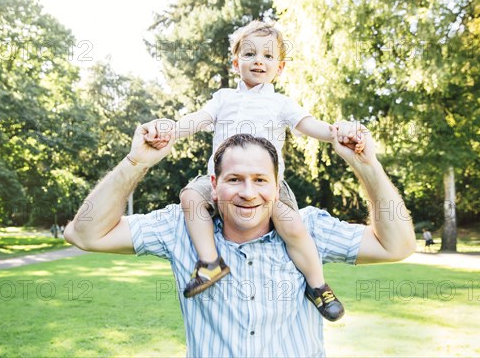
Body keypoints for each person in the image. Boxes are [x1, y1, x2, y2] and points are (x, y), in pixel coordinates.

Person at [64, 123, 416, 357]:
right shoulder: (178, 227)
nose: (248, 193)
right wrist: (136, 162)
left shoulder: (309, 229)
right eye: (235, 179)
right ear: (214, 186)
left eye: (260, 180)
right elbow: (84, 233)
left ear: (278, 187)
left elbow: (397, 245)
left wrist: (367, 165)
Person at [151, 20, 364, 321]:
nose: (258, 61)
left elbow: (308, 124)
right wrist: (170, 129)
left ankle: (318, 286)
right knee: (189, 197)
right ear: (236, 63)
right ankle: (210, 262)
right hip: (221, 182)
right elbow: (197, 120)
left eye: (267, 56)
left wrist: (336, 132)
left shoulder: (280, 103)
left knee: (291, 225)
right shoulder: (223, 99)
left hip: (266, 186)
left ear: (281, 66)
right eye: (250, 55)